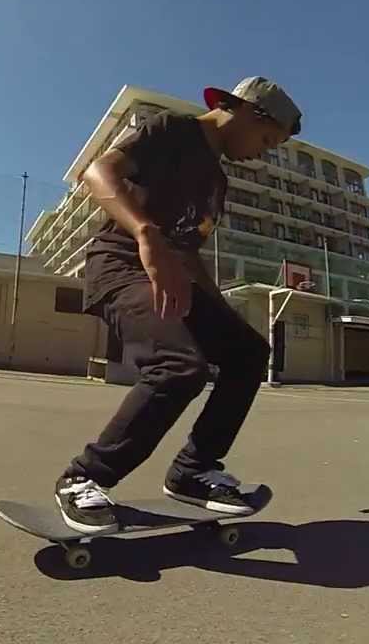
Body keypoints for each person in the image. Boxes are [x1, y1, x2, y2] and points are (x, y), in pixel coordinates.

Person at [54, 76, 303, 534]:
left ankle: (193, 470)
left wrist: (220, 311)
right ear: (246, 112)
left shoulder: (217, 183)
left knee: (248, 353)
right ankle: (84, 478)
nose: (262, 153)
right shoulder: (173, 130)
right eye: (266, 140)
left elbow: (188, 252)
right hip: (120, 265)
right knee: (179, 366)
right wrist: (146, 234)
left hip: (171, 275)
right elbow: (98, 173)